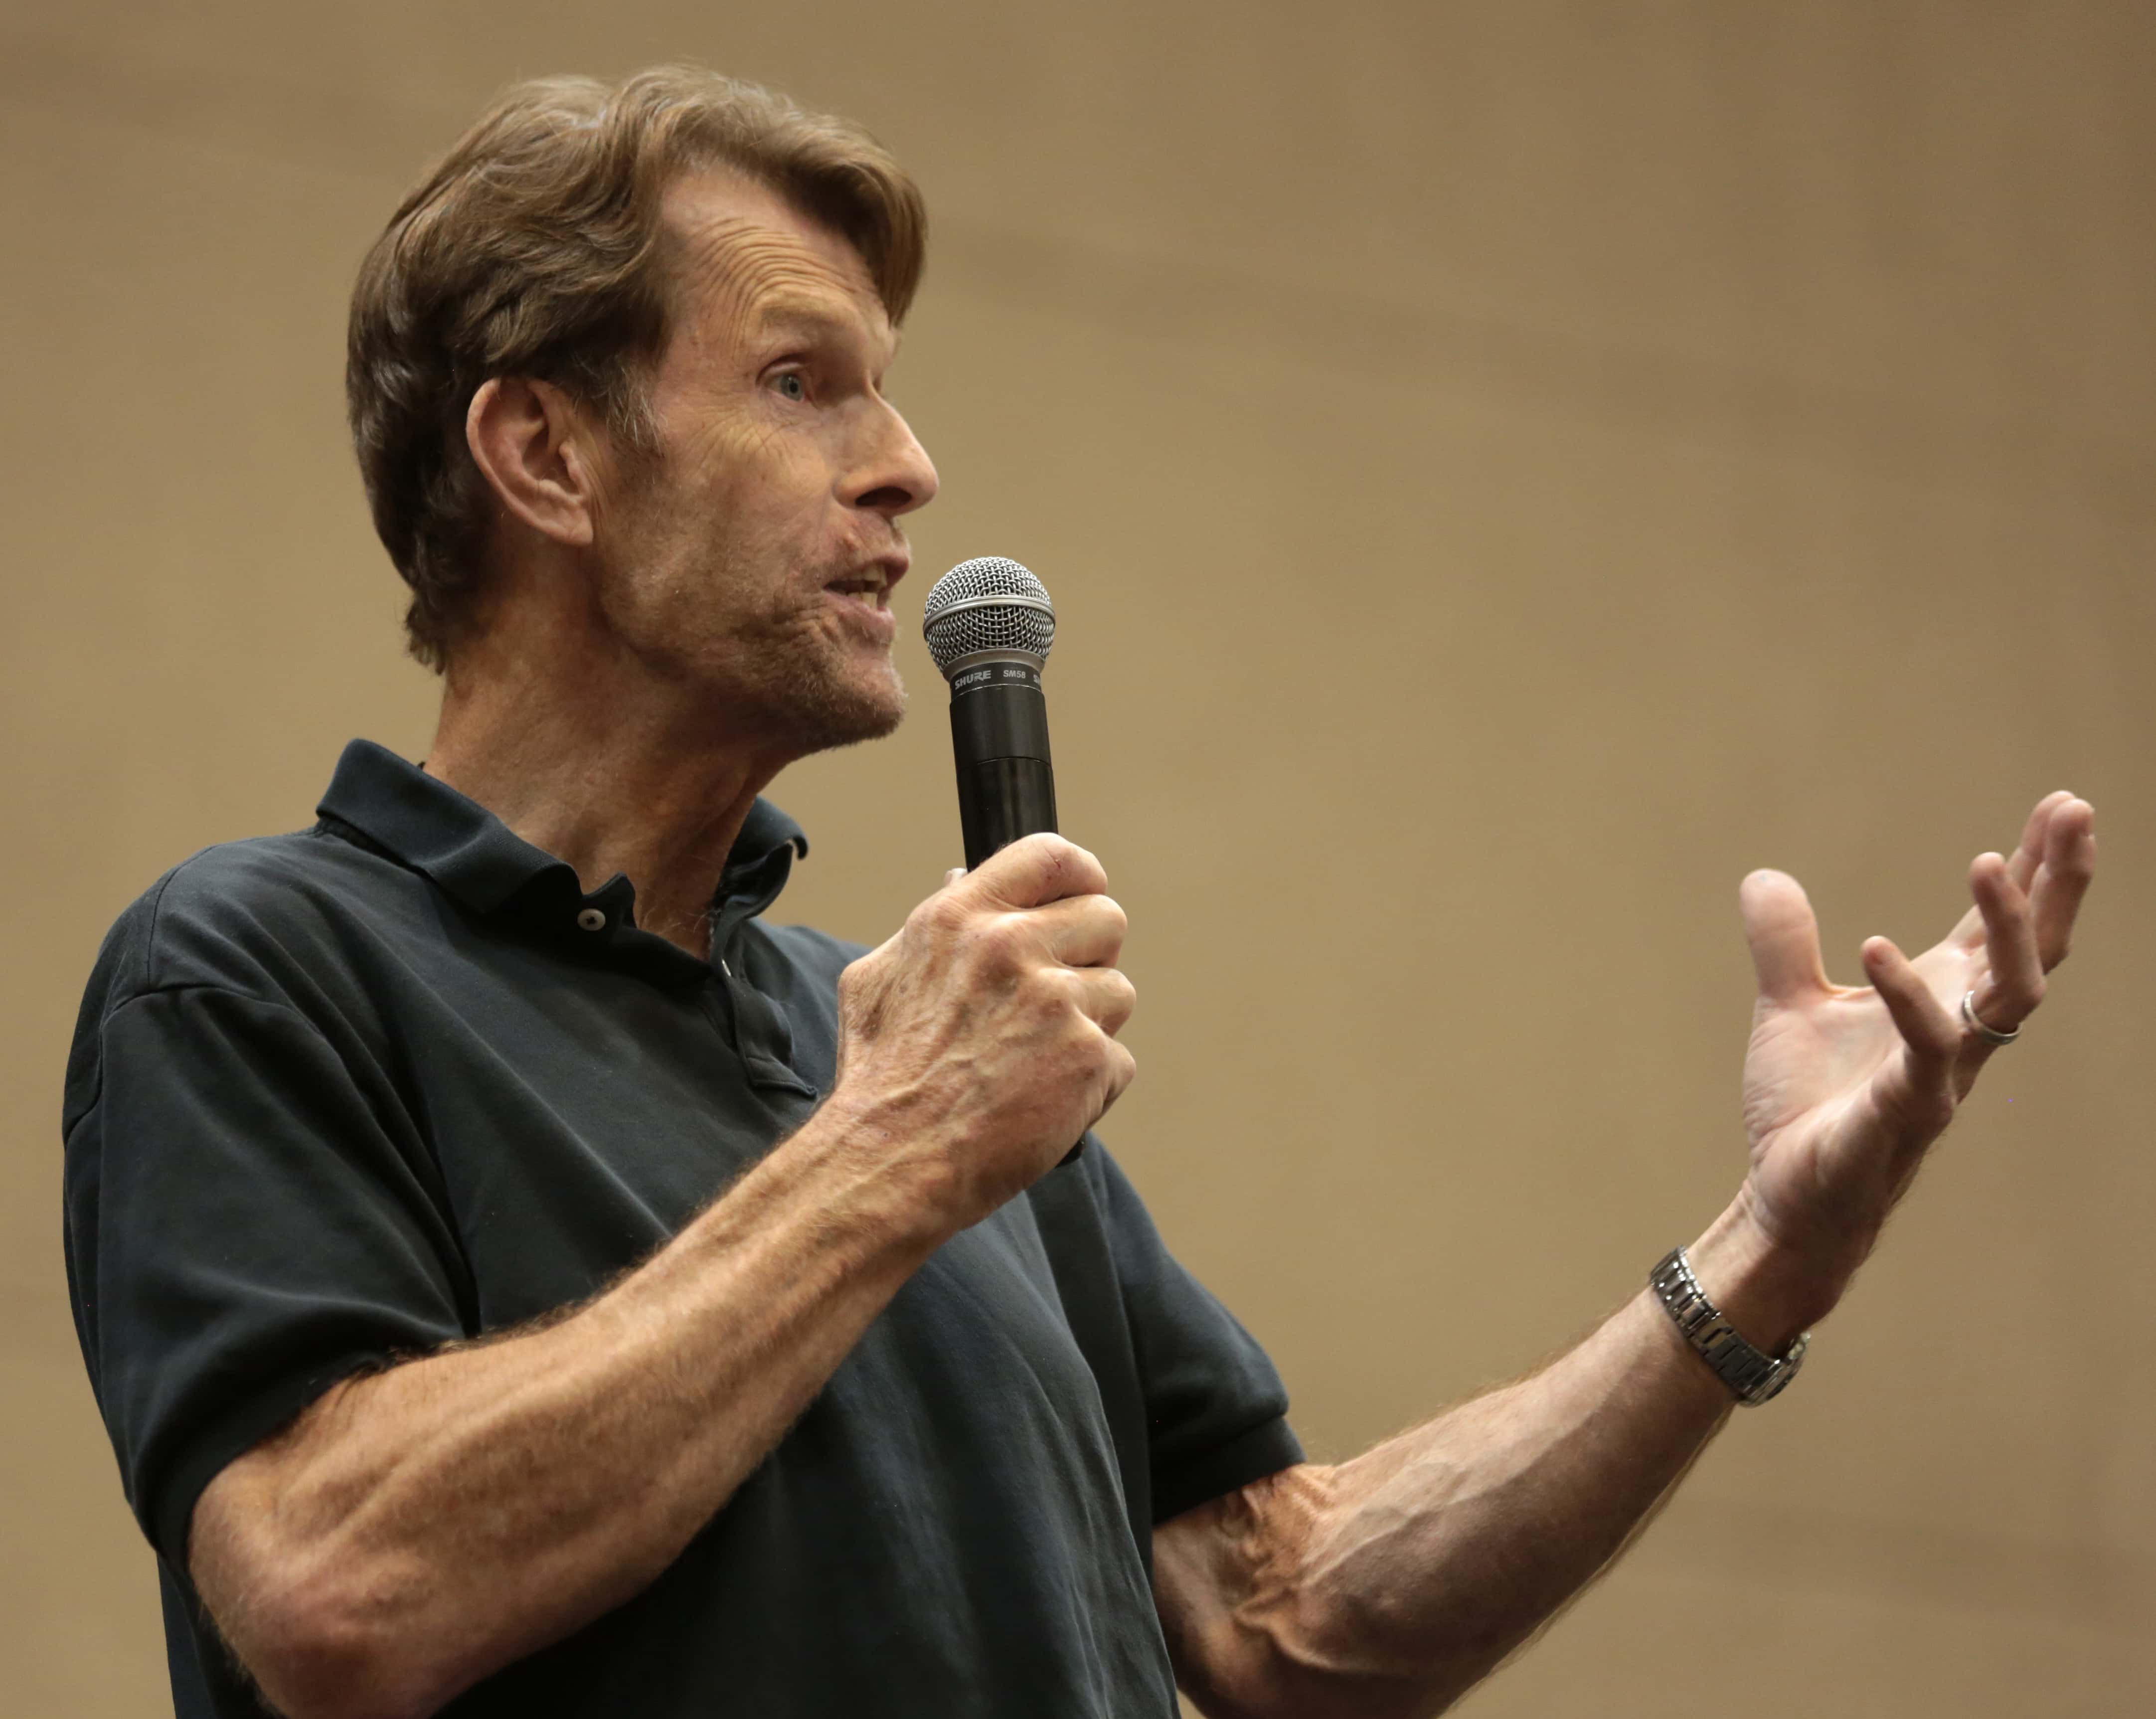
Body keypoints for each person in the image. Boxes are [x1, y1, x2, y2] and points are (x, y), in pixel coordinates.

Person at [62, 66, 2096, 1719]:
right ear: (544, 455)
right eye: (801, 381)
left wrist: (1758, 1256)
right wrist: (885, 1159)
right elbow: (336, 1591)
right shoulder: (266, 966)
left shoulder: (895, 1039)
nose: (909, 465)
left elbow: (1275, 1607)